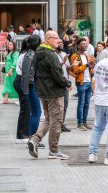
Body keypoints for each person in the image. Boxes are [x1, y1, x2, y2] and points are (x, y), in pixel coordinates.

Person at [27, 31, 72, 160]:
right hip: (54, 92)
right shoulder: (51, 55)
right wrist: (67, 82)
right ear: (48, 39)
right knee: (56, 121)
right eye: (56, 38)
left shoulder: (38, 52)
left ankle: (34, 140)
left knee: (48, 118)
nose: (59, 40)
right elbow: (57, 75)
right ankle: (54, 150)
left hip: (43, 91)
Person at [71, 38, 95, 131]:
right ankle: (79, 123)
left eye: (86, 44)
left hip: (88, 82)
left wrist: (92, 68)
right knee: (81, 103)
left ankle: (85, 122)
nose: (85, 45)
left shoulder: (86, 55)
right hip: (81, 82)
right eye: (83, 44)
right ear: (78, 46)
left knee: (87, 103)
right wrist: (87, 65)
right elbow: (75, 70)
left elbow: (91, 67)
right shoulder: (75, 56)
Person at [21, 35, 42, 142]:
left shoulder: (30, 54)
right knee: (37, 112)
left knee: (35, 112)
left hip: (31, 86)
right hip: (31, 86)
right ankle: (33, 138)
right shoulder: (31, 55)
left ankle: (31, 137)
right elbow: (28, 74)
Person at [56, 39, 77, 132]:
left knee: (65, 104)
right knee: (57, 106)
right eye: (58, 42)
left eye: (61, 42)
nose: (60, 44)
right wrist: (63, 62)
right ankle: (56, 125)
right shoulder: (52, 55)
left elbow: (67, 68)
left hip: (65, 83)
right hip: (57, 83)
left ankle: (61, 124)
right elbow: (54, 69)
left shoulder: (64, 54)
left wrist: (73, 65)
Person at [13, 38, 30, 142]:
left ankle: (22, 133)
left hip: (20, 81)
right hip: (21, 81)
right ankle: (22, 134)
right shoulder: (25, 55)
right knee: (25, 108)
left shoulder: (24, 54)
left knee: (26, 108)